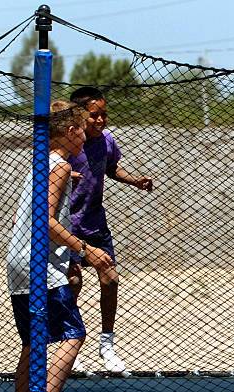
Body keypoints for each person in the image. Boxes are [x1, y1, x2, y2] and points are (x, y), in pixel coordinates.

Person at [8, 101, 114, 392]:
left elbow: (24, 219)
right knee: (73, 334)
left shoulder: (42, 162)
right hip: (37, 264)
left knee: (34, 342)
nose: (86, 136)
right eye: (82, 129)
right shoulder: (60, 167)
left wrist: (65, 257)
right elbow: (46, 221)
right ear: (70, 132)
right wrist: (85, 250)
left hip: (19, 262)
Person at [67, 86, 153, 374]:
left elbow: (112, 168)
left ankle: (107, 343)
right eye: (95, 115)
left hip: (95, 223)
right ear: (80, 116)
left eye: (104, 114)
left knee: (111, 279)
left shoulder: (105, 140)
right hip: (69, 226)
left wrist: (135, 180)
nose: (101, 120)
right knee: (73, 283)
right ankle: (71, 344)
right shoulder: (69, 145)